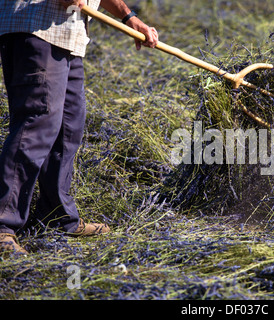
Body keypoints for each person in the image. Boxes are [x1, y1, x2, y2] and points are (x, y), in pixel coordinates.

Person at [0, 0, 158, 255]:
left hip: (69, 36)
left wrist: (128, 17)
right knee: (36, 127)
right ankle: (3, 225)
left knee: (68, 129)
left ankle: (56, 216)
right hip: (37, 28)